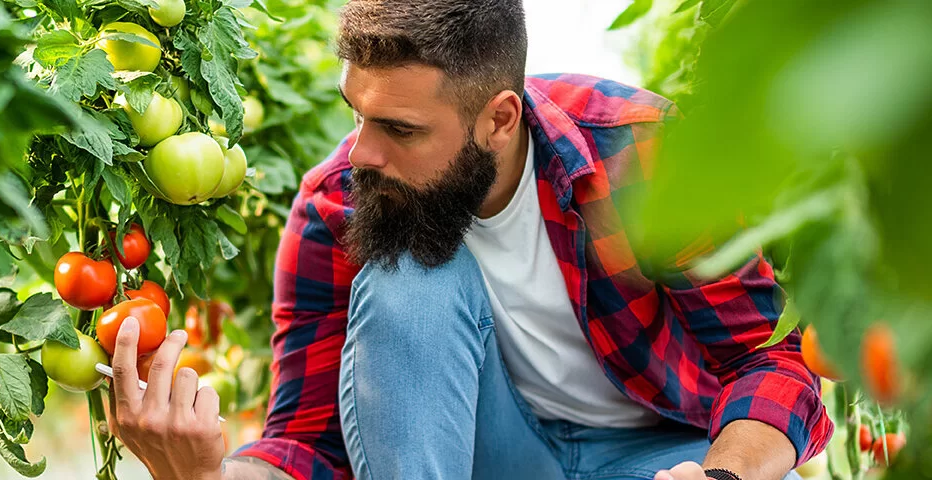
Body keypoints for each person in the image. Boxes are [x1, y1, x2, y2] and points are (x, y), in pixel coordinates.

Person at [105, 0, 832, 479]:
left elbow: (766, 358)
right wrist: (204, 475)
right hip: (479, 455)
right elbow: (309, 442)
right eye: (358, 114)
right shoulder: (336, 204)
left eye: (401, 128)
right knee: (403, 276)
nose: (360, 153)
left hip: (656, 455)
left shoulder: (641, 156)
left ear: (500, 119)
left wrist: (722, 475)